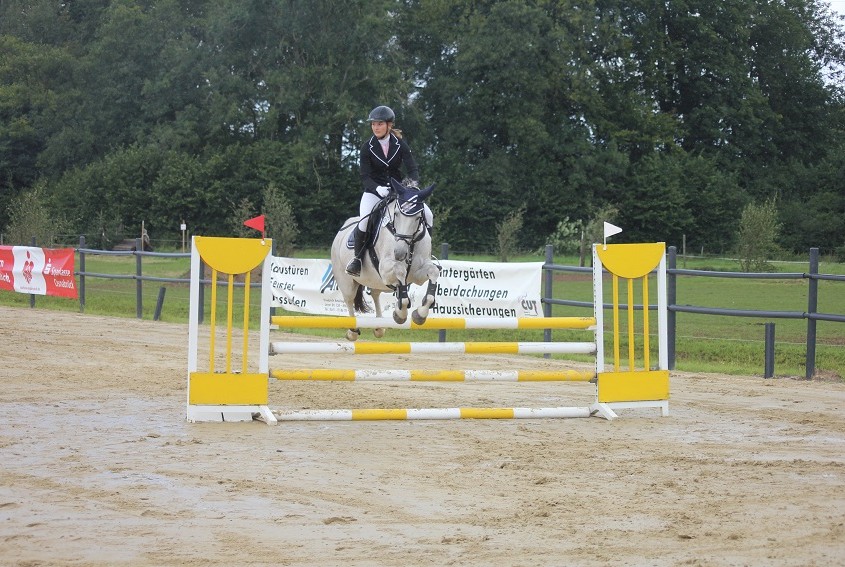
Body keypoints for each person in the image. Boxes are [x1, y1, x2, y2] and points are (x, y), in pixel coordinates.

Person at [345, 105, 434, 277]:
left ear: (389, 125)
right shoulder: (367, 147)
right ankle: (357, 259)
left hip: (398, 191)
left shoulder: (400, 145)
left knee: (428, 214)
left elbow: (412, 169)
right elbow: (365, 176)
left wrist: (412, 187)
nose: (375, 127)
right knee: (364, 220)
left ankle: (426, 255)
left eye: (379, 124)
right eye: (373, 124)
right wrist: (377, 188)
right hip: (373, 192)